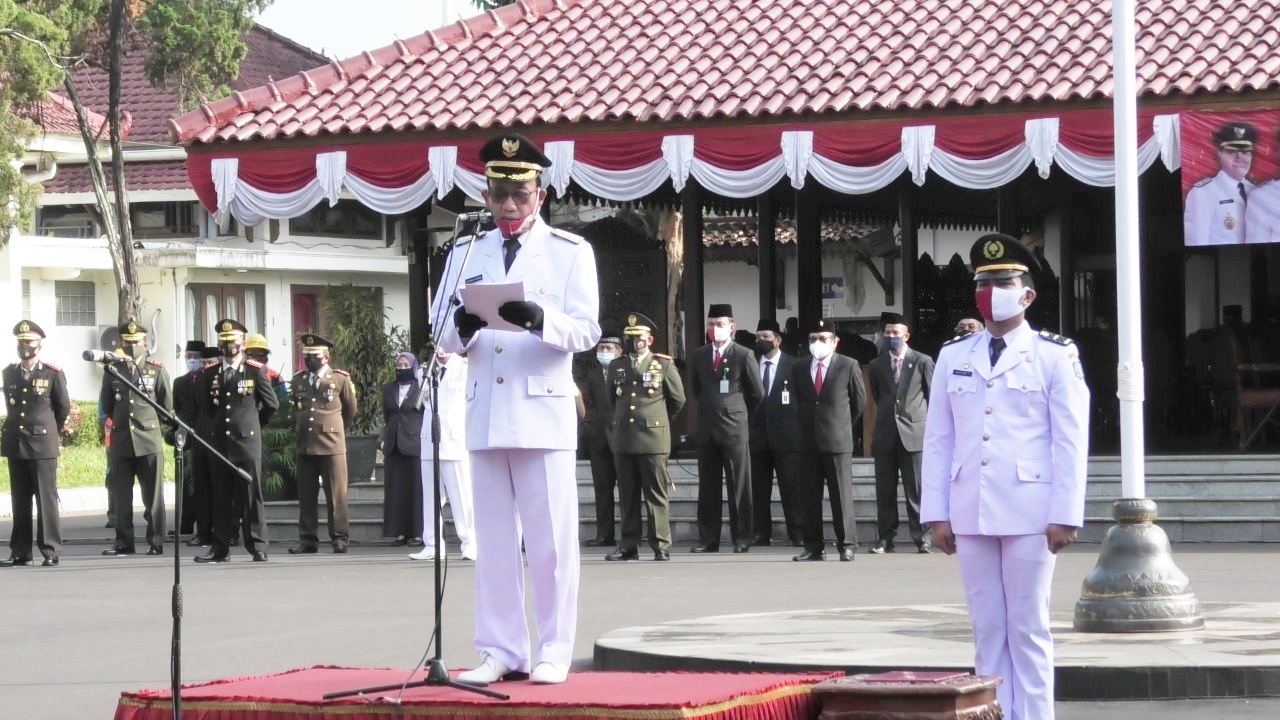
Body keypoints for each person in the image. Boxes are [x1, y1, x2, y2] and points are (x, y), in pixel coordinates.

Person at [432, 133, 600, 686]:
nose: (509, 205)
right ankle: (502, 648)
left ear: (541, 194)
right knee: (496, 543)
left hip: (543, 413)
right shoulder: (464, 253)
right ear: (485, 194)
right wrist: (461, 328)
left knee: (551, 542)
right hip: (485, 412)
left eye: (520, 194)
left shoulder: (569, 253)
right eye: (500, 192)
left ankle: (553, 647)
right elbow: (439, 332)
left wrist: (539, 320)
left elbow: (587, 330)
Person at [920, 233, 1090, 720]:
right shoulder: (955, 354)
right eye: (983, 282)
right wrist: (936, 512)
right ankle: (991, 714)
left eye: (1002, 281)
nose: (991, 291)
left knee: (1029, 626)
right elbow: (939, 438)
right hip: (969, 507)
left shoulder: (1055, 354)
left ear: (1027, 294)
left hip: (1032, 511)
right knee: (986, 627)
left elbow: (1069, 439)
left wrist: (1065, 512)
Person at [194, 319, 279, 563]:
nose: (227, 346)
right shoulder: (211, 373)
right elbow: (207, 408)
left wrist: (254, 424)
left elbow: (271, 404)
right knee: (220, 497)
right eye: (224, 342)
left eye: (232, 342)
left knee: (252, 498)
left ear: (242, 343)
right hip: (220, 445)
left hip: (247, 445)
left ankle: (258, 546)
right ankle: (220, 548)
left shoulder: (254, 369)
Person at [605, 312, 685, 562]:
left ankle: (661, 544)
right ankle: (628, 545)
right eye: (629, 338)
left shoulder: (663, 364)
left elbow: (678, 400)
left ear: (649, 340)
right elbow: (612, 399)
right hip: (625, 439)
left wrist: (657, 422)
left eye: (638, 338)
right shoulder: (617, 365)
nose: (633, 343)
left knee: (655, 495)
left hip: (652, 439)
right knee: (627, 495)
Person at [690, 303, 763, 554]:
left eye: (720, 324)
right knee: (707, 486)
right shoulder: (699, 355)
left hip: (734, 428)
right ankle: (708, 539)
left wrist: (737, 412)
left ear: (732, 327)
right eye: (711, 324)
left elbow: (757, 392)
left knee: (739, 486)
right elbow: (697, 390)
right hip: (707, 427)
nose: (715, 329)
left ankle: (742, 537)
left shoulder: (744, 354)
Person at [791, 321, 866, 562]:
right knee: (809, 496)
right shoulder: (800, 366)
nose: (818, 343)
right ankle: (813, 545)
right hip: (808, 441)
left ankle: (847, 544)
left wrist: (842, 426)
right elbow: (795, 400)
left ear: (835, 341)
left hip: (837, 441)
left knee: (841, 496)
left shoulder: (848, 364)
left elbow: (859, 403)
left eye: (824, 338)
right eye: (814, 338)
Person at [1, 321, 69, 567]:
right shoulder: (9, 372)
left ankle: (50, 549)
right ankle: (20, 550)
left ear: (39, 344)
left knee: (45, 499)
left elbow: (62, 408)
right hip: (16, 443)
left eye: (29, 342)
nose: (24, 347)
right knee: (19, 500)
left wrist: (50, 432)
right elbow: (12, 407)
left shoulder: (52, 373)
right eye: (21, 342)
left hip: (42, 445)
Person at [101, 321, 171, 557]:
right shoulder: (112, 369)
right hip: (122, 441)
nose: (132, 346)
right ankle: (123, 542)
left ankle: (156, 541)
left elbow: (166, 408)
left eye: (136, 342)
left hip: (148, 441)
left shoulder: (156, 369)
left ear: (146, 343)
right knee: (121, 496)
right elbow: (108, 406)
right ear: (121, 344)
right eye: (127, 342)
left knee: (153, 497)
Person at [868, 313, 934, 554]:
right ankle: (885, 537)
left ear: (906, 335)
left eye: (896, 333)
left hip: (914, 434)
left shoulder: (922, 361)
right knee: (884, 490)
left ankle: (923, 537)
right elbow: (877, 396)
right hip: (886, 433)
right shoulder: (876, 364)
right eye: (888, 333)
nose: (891, 337)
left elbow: (932, 396)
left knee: (915, 489)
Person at [288, 334, 357, 555]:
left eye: (314, 356)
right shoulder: (298, 379)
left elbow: (350, 411)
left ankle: (339, 538)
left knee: (336, 496)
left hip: (331, 445)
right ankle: (308, 539)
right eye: (306, 356)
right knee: (306, 496)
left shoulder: (340, 379)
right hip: (306, 444)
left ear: (326, 357)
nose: (309, 360)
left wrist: (336, 430)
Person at [412, 349, 477, 561]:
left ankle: (470, 543)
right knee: (431, 497)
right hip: (430, 440)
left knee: (462, 496)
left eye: (445, 345)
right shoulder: (426, 370)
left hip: (456, 440)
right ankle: (432, 544)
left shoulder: (466, 368)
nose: (440, 350)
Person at [747, 319, 804, 546]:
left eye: (766, 337)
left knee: (792, 488)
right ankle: (761, 533)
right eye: (758, 337)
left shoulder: (795, 365)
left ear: (778, 340)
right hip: (757, 436)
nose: (761, 341)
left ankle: (797, 532)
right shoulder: (750, 363)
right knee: (758, 490)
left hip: (788, 437)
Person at [577, 332, 623, 547]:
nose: (604, 352)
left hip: (622, 439)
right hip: (599, 438)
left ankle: (632, 534)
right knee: (602, 489)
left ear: (619, 352)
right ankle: (604, 535)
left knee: (627, 489)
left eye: (609, 348)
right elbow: (590, 405)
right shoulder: (593, 375)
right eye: (601, 348)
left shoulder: (625, 371)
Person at [1185, 121, 1256, 246]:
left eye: (1245, 152)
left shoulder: (1257, 192)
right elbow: (1197, 244)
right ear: (1219, 153)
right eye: (1232, 152)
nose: (1239, 157)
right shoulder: (1202, 193)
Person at [172, 340, 213, 547]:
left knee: (206, 488)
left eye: (196, 357)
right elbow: (177, 409)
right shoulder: (180, 382)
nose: (192, 360)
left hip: (207, 437)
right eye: (189, 356)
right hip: (185, 437)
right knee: (185, 484)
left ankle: (208, 528)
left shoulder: (209, 379)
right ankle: (185, 524)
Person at [381, 351, 424, 546]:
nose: (402, 368)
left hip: (414, 443)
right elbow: (387, 415)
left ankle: (417, 532)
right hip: (393, 444)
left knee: (415, 489)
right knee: (395, 489)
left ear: (413, 366)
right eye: (399, 365)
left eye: (407, 365)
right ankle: (399, 531)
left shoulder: (421, 387)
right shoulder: (388, 388)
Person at [245, 332, 288, 397]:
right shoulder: (239, 375)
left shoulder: (274, 376)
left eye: (258, 355)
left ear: (265, 356)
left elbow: (283, 401)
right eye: (251, 354)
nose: (254, 360)